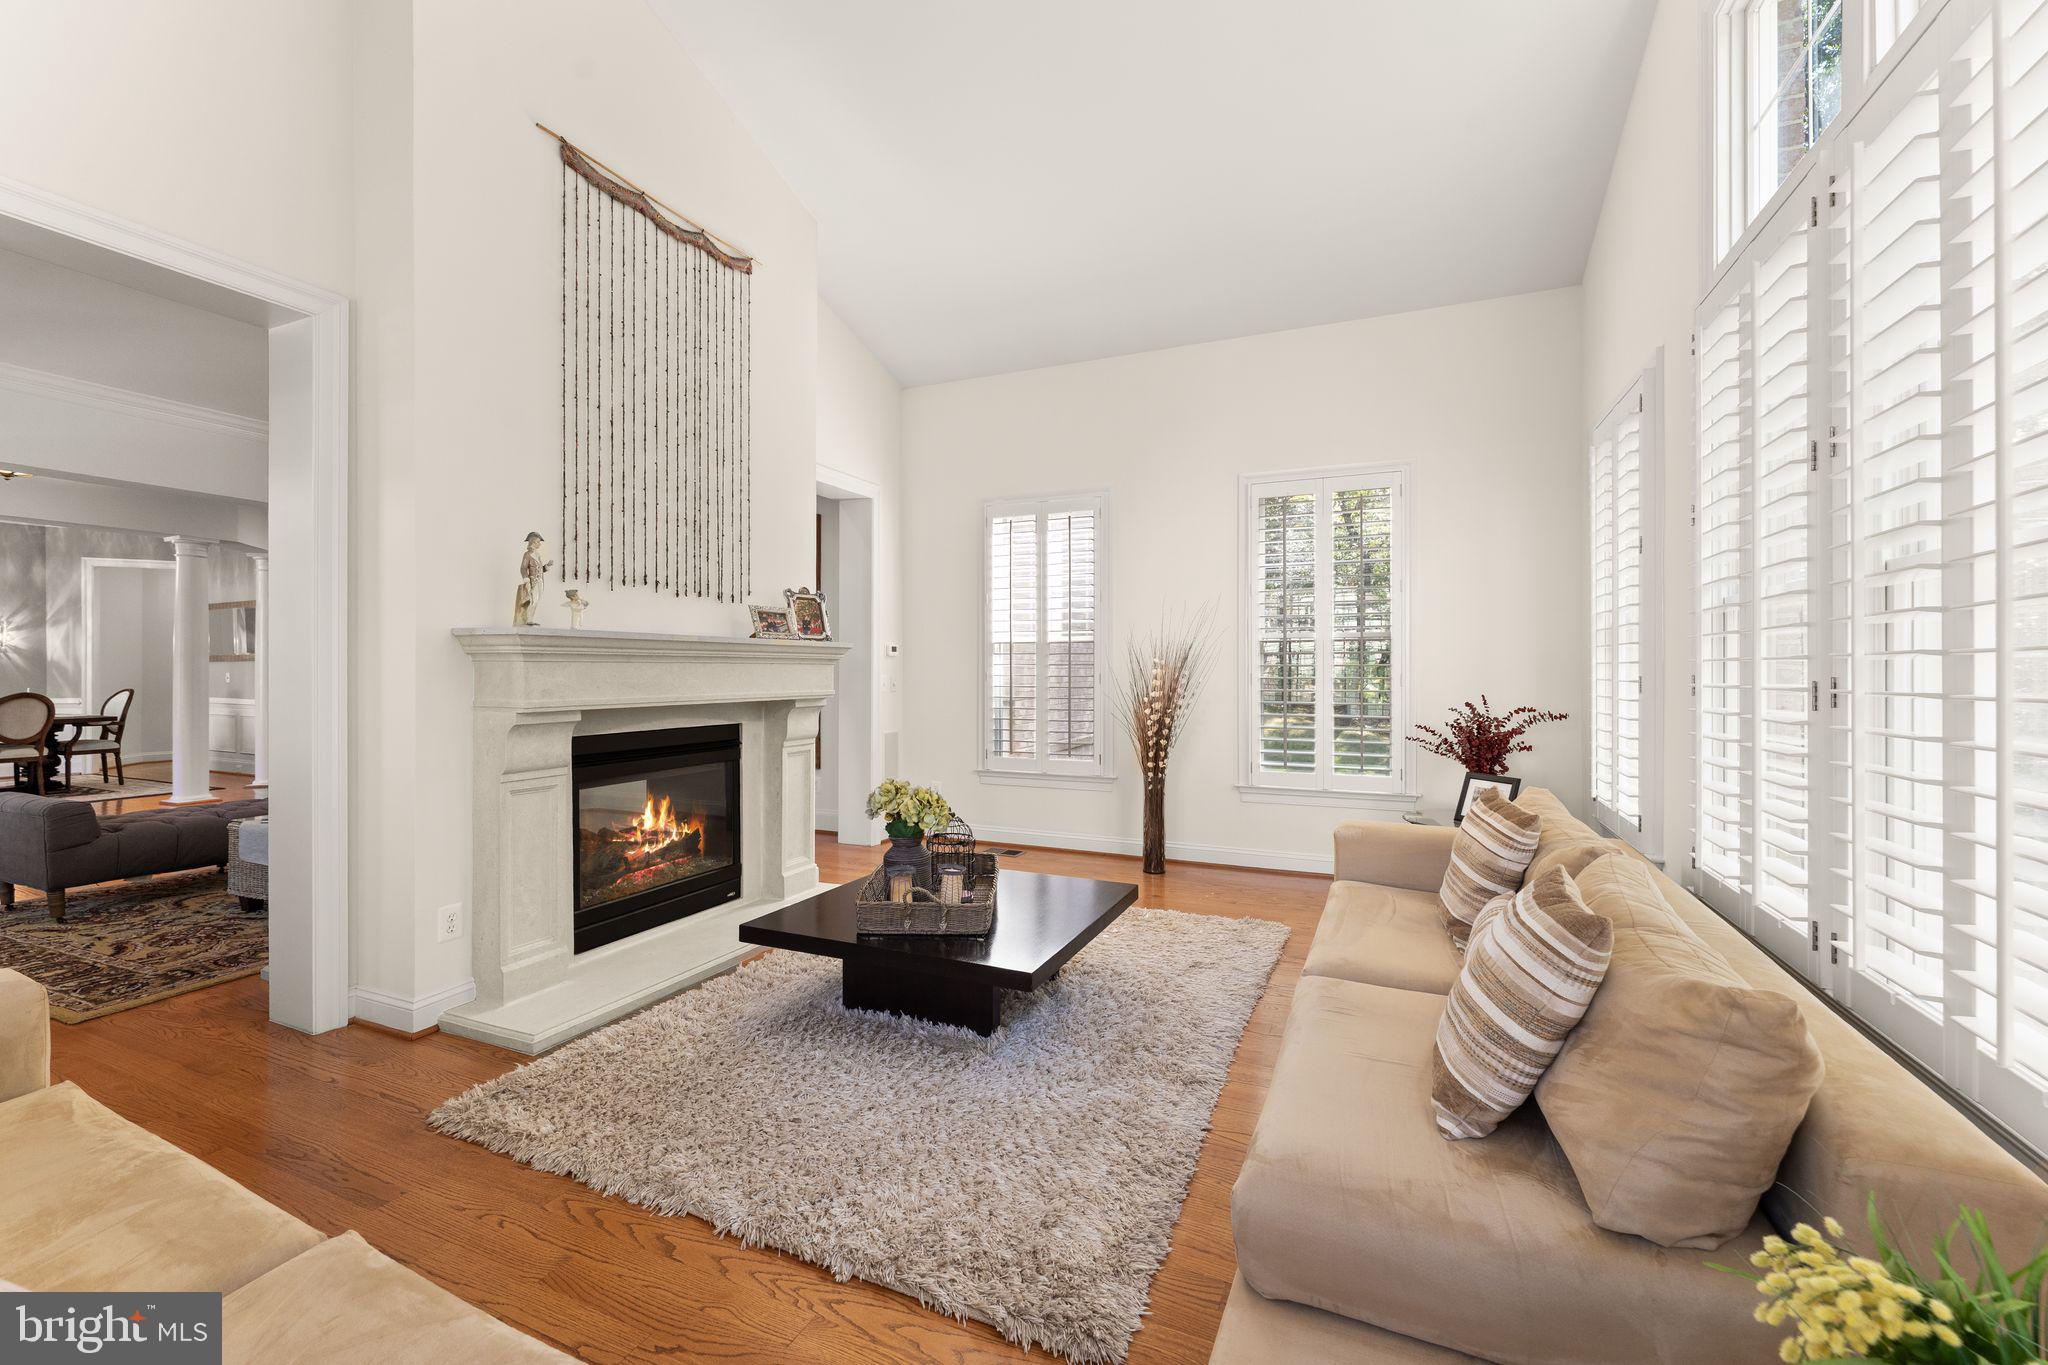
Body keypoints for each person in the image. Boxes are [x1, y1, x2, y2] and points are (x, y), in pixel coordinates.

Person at [514, 532, 552, 626]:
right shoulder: (527, 555)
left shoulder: (537, 555)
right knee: (532, 600)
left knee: (536, 601)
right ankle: (527, 620)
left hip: (540, 582)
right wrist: (526, 580)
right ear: (533, 542)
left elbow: (539, 570)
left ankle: (530, 619)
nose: (539, 544)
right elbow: (523, 568)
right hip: (532, 582)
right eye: (538, 542)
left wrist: (547, 566)